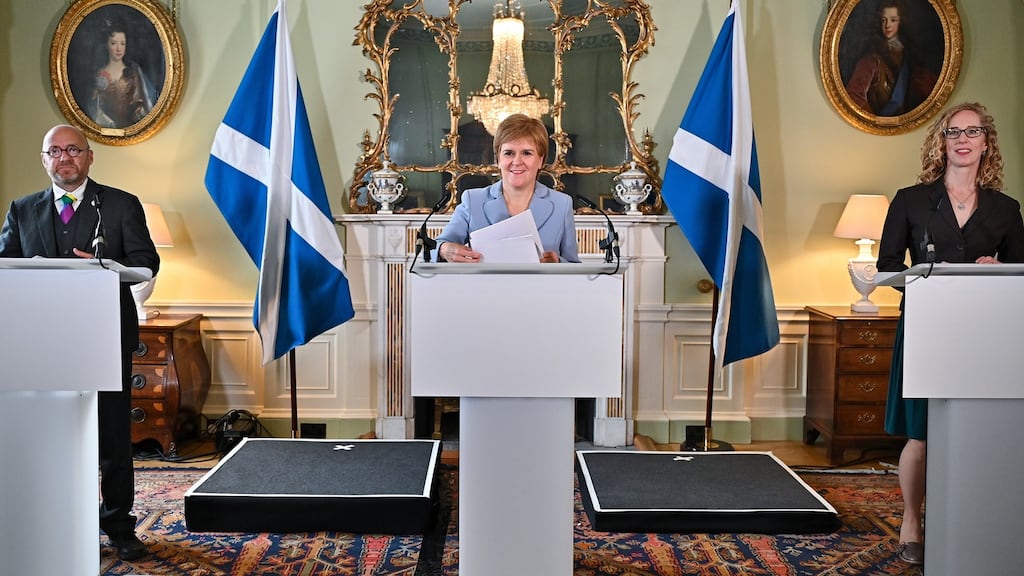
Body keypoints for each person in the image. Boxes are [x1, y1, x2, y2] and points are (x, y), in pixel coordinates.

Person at [0, 124, 160, 561]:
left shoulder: (121, 205)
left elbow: (147, 266)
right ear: (44, 159)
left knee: (112, 437)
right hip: (39, 342)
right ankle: (49, 519)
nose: (64, 157)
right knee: (47, 437)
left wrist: (106, 266)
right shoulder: (22, 209)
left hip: (105, 338)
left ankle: (119, 527)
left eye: (73, 150)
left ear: (89, 157)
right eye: (55, 151)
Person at [876, 102, 1024, 566]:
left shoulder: (1006, 208)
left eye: (972, 131)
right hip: (925, 327)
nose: (962, 139)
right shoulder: (910, 200)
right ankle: (912, 521)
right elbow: (886, 267)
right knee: (920, 435)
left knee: (977, 433)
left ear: (986, 143)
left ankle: (973, 521)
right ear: (942, 143)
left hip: (985, 332)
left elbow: (1022, 269)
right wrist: (920, 272)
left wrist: (1000, 267)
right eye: (953, 132)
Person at [436, 113, 580, 263]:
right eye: (509, 153)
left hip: (543, 286)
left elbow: (573, 264)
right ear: (498, 159)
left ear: (540, 160)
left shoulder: (562, 205)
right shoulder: (473, 200)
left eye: (526, 153)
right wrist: (444, 249)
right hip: (484, 286)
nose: (517, 161)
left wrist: (558, 263)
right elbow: (437, 246)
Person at [844, 0, 938, 117]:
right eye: (883, 20)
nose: (887, 25)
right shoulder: (871, 61)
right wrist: (876, 122)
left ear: (901, 22)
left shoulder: (908, 55)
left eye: (893, 20)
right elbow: (854, 95)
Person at [89, 20, 155, 128]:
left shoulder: (134, 70)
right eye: (113, 43)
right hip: (107, 130)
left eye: (122, 43)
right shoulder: (100, 74)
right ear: (106, 45)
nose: (119, 48)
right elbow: (95, 109)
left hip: (134, 129)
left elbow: (146, 101)